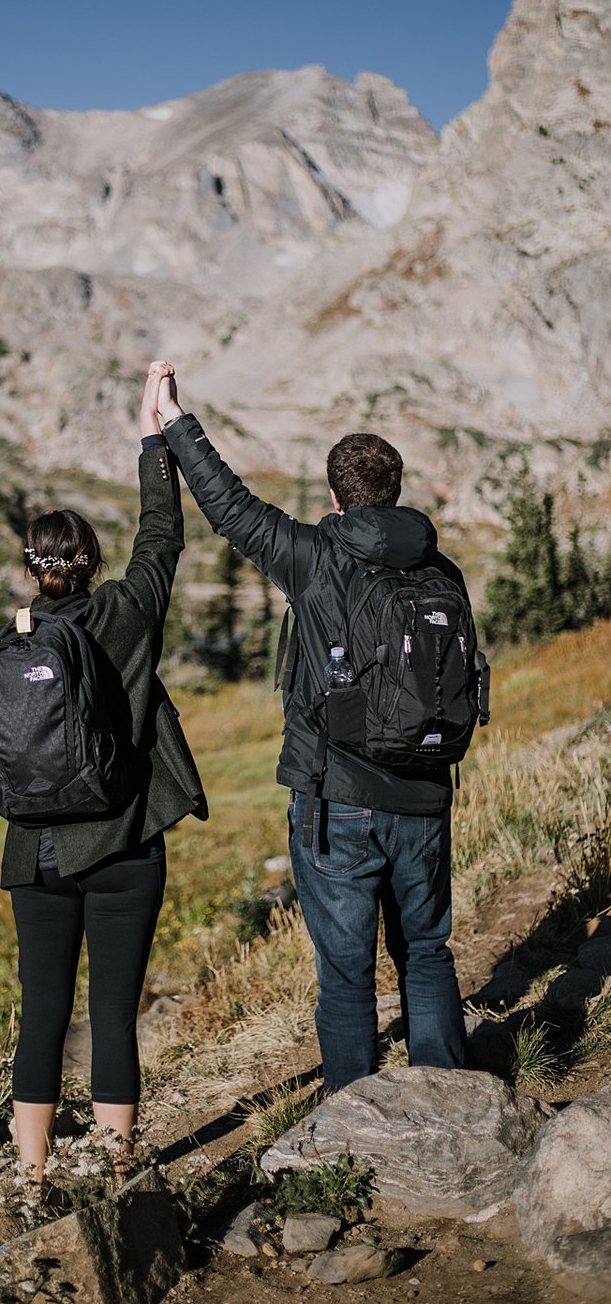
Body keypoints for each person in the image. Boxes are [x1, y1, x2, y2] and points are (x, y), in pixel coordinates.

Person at [154, 365, 467, 1093]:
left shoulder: (315, 555)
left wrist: (174, 420)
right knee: (426, 952)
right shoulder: (440, 567)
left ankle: (354, 1117)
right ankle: (452, 1098)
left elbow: (228, 506)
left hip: (338, 798)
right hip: (424, 794)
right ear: (395, 491)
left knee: (347, 970)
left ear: (335, 496)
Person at [0, 363, 207, 1183]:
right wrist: (151, 434)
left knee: (42, 1014)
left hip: (39, 858)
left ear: (32, 570)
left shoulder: (4, 646)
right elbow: (161, 535)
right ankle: (119, 1162)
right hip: (125, 844)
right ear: (90, 561)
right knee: (114, 1014)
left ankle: (31, 1172)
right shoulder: (127, 612)